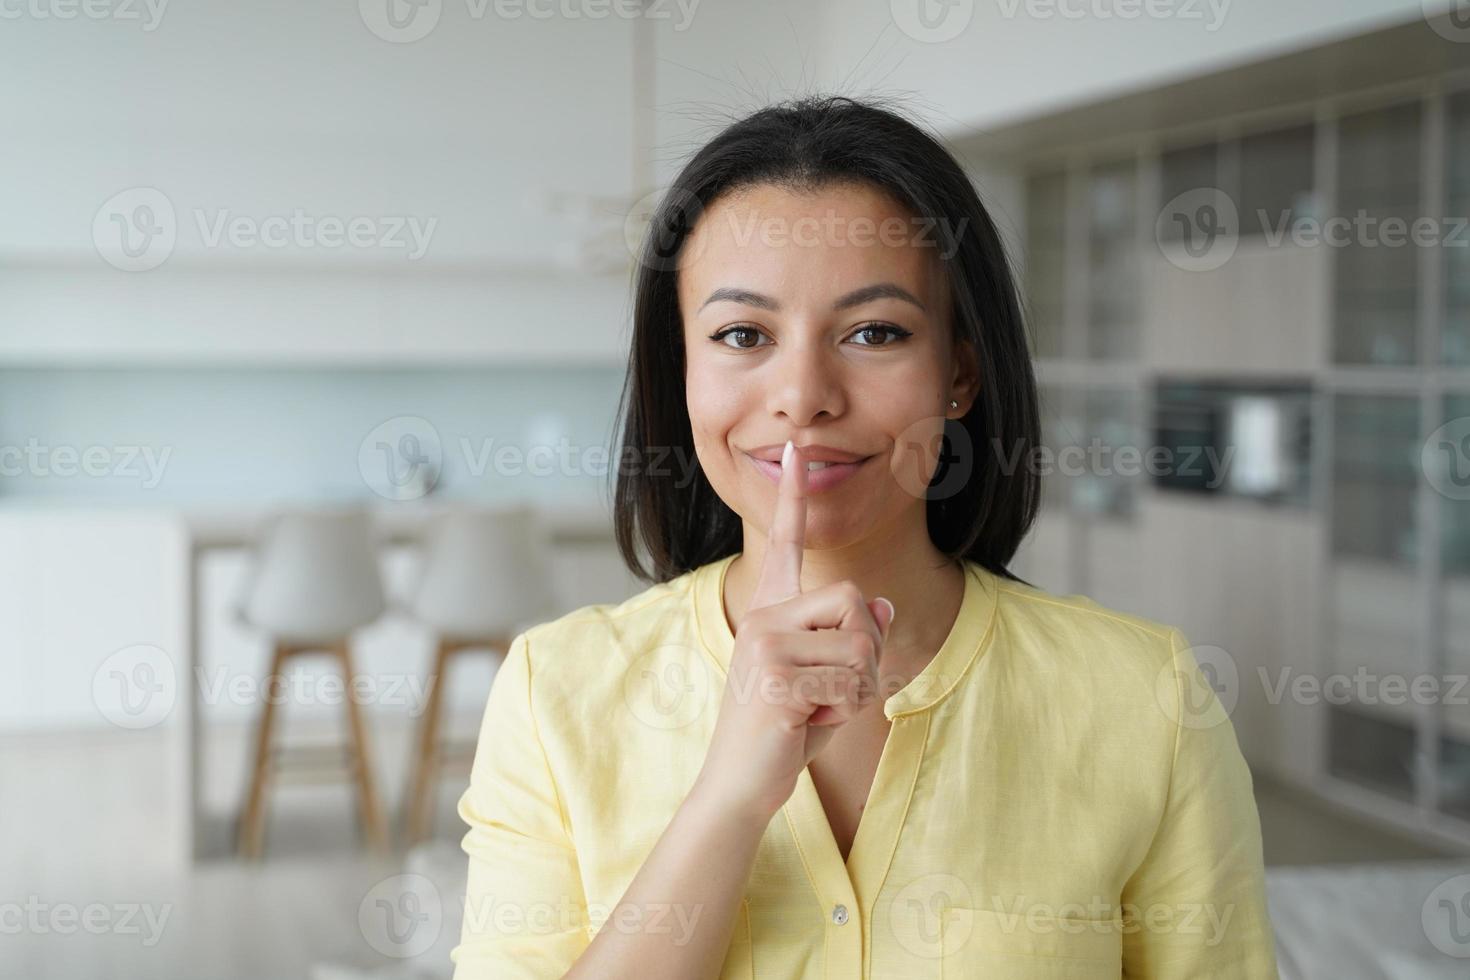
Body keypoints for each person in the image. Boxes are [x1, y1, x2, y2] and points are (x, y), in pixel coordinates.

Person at [449, 94, 1279, 979]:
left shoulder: (1146, 697)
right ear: (682, 373)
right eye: (742, 334)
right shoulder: (556, 694)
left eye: (875, 332)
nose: (804, 394)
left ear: (960, 372)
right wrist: (730, 797)